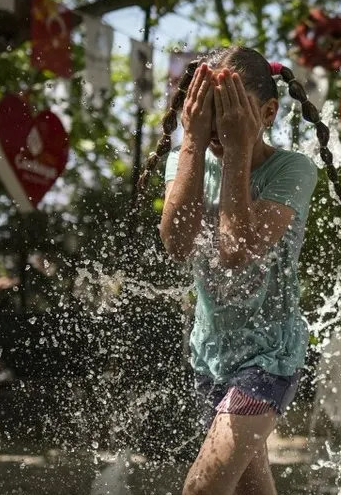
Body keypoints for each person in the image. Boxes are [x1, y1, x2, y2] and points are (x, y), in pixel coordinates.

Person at [139, 46, 330, 494]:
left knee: (202, 488)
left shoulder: (292, 170)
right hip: (209, 356)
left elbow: (234, 249)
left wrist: (239, 150)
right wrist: (191, 140)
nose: (220, 128)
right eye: (211, 112)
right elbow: (176, 244)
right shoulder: (187, 160)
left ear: (266, 113)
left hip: (270, 358)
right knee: (250, 489)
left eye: (231, 114)